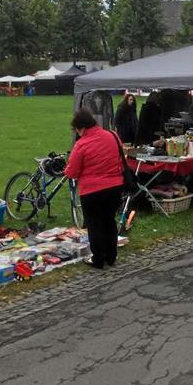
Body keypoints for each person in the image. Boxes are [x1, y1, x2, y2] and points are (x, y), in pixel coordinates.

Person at [65, 109, 125, 269]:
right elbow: (120, 157)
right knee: (109, 221)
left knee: (95, 224)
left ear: (81, 128)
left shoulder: (81, 144)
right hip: (115, 186)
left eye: (77, 130)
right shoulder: (113, 135)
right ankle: (111, 256)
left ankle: (98, 258)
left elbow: (72, 172)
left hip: (92, 191)